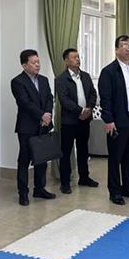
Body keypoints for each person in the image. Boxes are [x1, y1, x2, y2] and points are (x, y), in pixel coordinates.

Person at [98, 35, 129, 205]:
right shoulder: (109, 71)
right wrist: (109, 120)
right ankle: (115, 191)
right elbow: (105, 99)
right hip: (117, 121)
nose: (128, 48)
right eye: (124, 45)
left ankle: (127, 187)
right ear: (116, 49)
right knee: (115, 158)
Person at [11, 49, 55, 206]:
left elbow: (49, 98)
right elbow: (24, 103)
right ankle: (23, 193)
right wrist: (41, 115)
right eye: (34, 62)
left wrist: (48, 114)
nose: (37, 65)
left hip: (44, 125)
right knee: (24, 159)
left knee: (42, 158)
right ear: (24, 65)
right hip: (27, 127)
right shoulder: (17, 81)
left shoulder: (43, 80)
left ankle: (40, 189)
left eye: (38, 62)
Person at [55, 48, 98, 194]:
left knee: (83, 149)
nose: (78, 59)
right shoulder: (61, 79)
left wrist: (89, 109)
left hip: (85, 120)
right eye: (74, 57)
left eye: (78, 57)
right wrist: (80, 111)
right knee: (66, 152)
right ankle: (65, 182)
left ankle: (84, 178)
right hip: (69, 121)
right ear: (66, 60)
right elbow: (64, 100)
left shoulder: (85, 76)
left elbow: (93, 93)